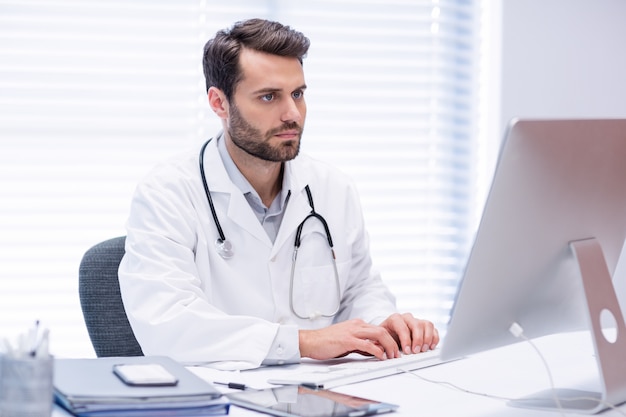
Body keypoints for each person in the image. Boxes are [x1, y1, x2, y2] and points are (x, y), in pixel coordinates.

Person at [118, 18, 439, 369]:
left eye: (298, 94)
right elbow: (168, 324)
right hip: (224, 397)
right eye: (269, 97)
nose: (292, 114)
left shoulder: (334, 188)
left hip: (324, 393)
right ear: (219, 103)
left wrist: (383, 324)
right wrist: (301, 342)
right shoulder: (167, 193)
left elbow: (360, 292)